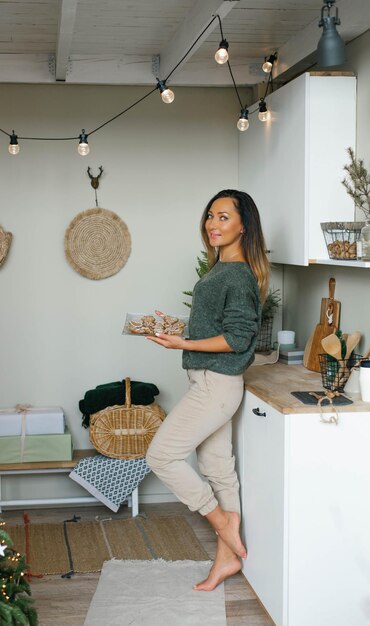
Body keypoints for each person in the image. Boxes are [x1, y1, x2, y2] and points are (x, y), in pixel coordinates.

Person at [146, 189, 270, 591]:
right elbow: (217, 327)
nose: (213, 225)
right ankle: (226, 560)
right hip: (208, 380)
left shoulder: (237, 273)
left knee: (160, 456)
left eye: (223, 218)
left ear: (243, 227)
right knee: (218, 469)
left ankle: (222, 524)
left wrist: (183, 344)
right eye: (210, 217)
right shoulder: (221, 270)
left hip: (216, 385)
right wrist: (178, 330)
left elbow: (236, 338)